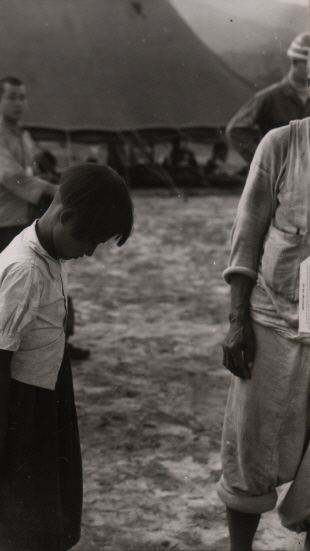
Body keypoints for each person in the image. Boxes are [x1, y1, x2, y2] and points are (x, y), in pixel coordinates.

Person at [0, 163, 134, 550]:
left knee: (33, 492)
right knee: (12, 493)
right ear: (67, 217)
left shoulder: (44, 245)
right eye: (90, 241)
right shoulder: (26, 270)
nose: (90, 252)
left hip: (38, 383)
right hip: (12, 396)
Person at [218, 55, 310, 551]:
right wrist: (238, 322)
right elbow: (246, 238)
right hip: (270, 319)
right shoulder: (281, 144)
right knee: (248, 455)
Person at [0, 76, 90, 360]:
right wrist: (56, 191)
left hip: (24, 216)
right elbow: (12, 177)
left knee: (47, 273)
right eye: (12, 97)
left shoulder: (22, 136)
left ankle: (57, 339)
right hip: (0, 219)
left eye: (22, 97)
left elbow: (31, 173)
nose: (18, 103)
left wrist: (58, 180)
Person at [226, 31, 310, 165]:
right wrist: (265, 161)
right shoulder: (270, 96)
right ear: (294, 61)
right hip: (279, 178)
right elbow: (236, 130)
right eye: (307, 63)